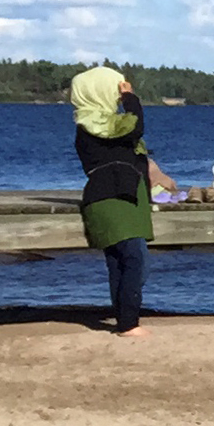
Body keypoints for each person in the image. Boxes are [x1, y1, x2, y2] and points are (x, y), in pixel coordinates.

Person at [69, 64, 175, 336]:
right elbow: (134, 125)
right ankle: (128, 323)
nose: (119, 95)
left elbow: (132, 146)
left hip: (126, 197)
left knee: (122, 261)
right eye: (115, 90)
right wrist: (131, 99)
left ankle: (125, 319)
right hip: (111, 198)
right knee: (134, 259)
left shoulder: (106, 124)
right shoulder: (95, 125)